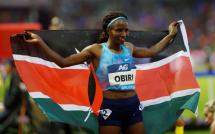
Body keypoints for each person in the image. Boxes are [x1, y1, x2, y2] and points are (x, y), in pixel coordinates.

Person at [23, 12, 178, 134]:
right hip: (111, 108)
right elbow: (63, 62)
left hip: (133, 105)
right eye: (119, 30)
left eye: (125, 30)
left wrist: (170, 35)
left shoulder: (129, 48)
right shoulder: (96, 50)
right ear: (108, 31)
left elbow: (151, 51)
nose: (124, 34)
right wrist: (40, 42)